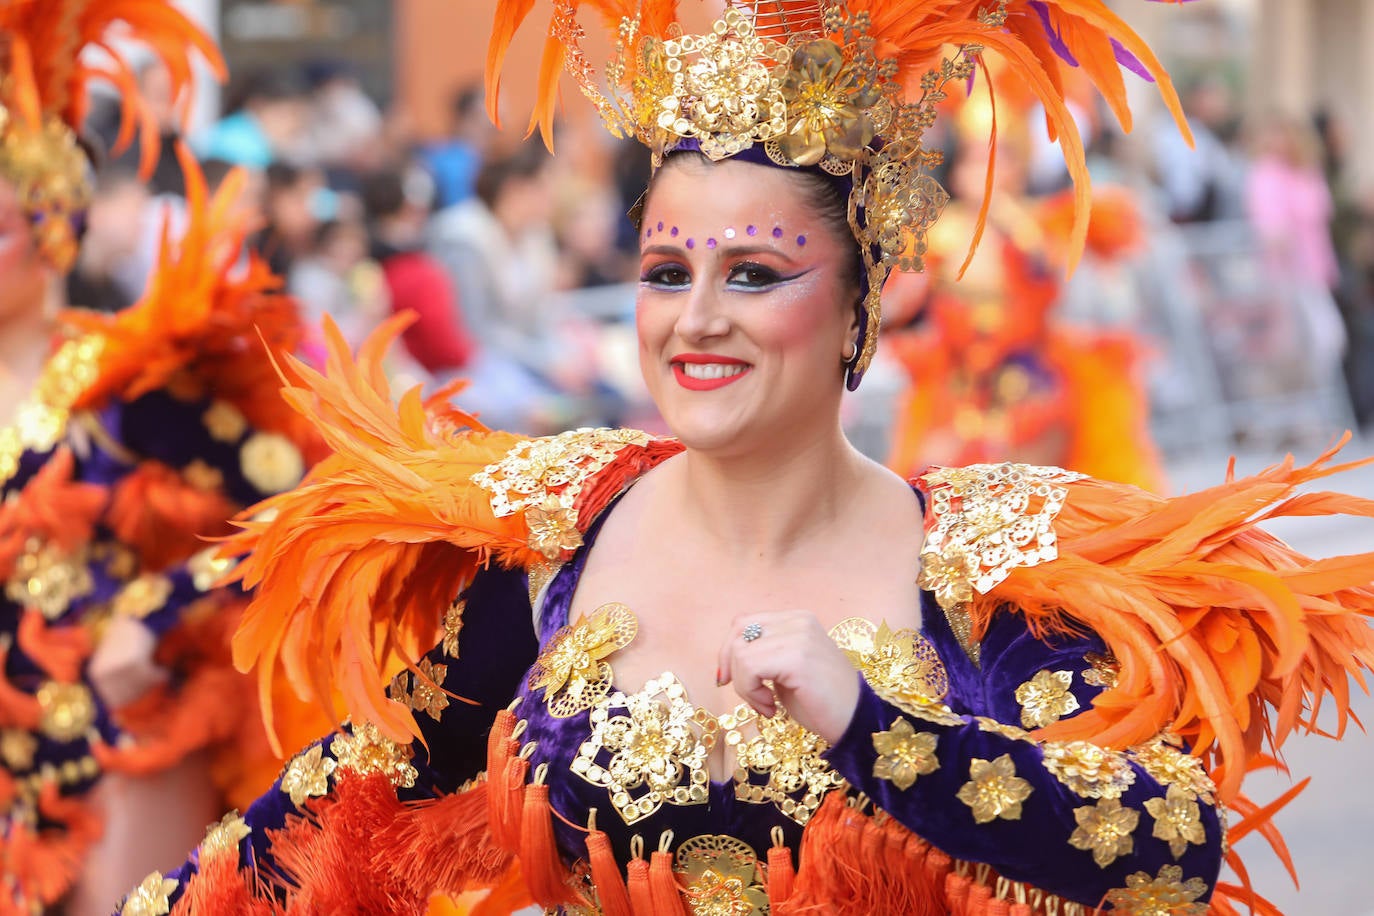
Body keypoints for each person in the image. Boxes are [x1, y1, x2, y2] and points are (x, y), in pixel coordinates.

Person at [131, 3, 1374, 915]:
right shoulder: (565, 537)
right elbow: (355, 788)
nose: (698, 318)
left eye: (756, 275)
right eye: (668, 273)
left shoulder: (993, 561)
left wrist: (875, 725)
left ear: (860, 308)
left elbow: (1166, 844)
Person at [0, 4, 327, 911]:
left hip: (122, 746)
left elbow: (297, 512)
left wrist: (156, 612)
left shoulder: (125, 377)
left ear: (54, 213)